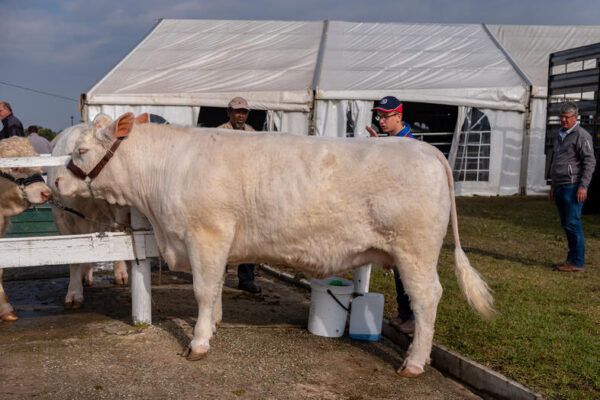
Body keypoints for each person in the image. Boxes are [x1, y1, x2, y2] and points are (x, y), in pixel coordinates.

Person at [365, 96, 415, 334]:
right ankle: (404, 313)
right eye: (379, 116)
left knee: (408, 266)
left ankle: (413, 316)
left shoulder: (408, 145)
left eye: (386, 116)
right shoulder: (393, 141)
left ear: (398, 116)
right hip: (395, 211)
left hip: (407, 214)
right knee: (398, 267)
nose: (381, 121)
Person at [218, 97, 261, 294]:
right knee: (221, 235)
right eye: (236, 112)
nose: (240, 115)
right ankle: (218, 276)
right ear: (229, 113)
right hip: (225, 191)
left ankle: (246, 279)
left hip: (246, 192)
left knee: (248, 235)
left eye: (243, 112)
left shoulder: (253, 134)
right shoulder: (220, 133)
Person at [548, 102, 596, 272]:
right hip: (560, 185)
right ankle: (571, 259)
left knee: (573, 223)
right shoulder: (559, 134)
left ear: (575, 118)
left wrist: (583, 186)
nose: (563, 120)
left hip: (573, 185)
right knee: (566, 224)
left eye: (567, 117)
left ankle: (577, 262)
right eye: (561, 116)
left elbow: (589, 162)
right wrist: (553, 185)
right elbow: (555, 160)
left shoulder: (581, 136)